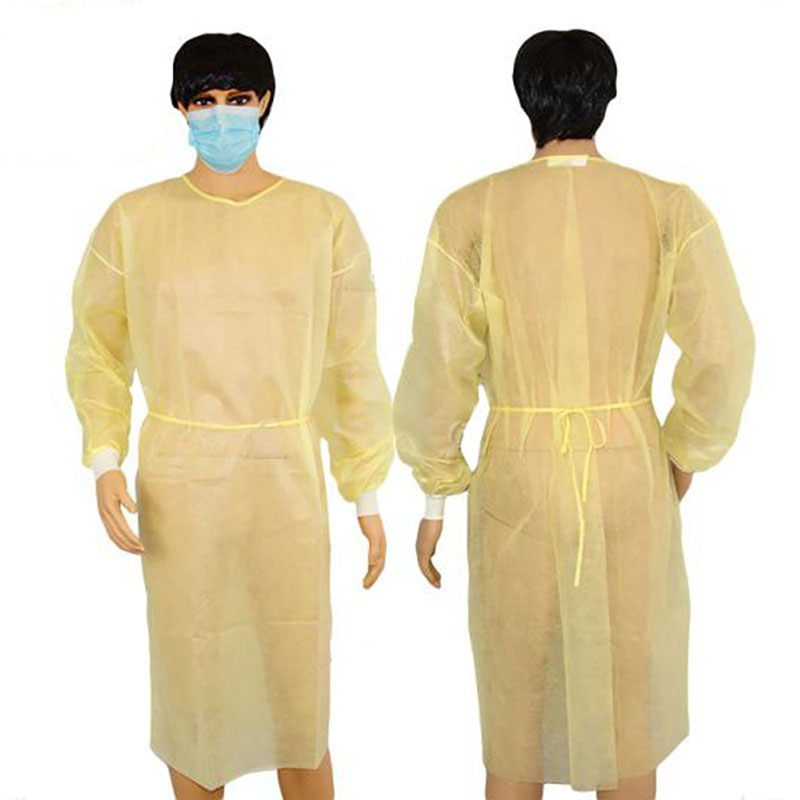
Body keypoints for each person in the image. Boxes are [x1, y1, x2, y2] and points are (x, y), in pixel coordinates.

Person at [393, 29, 754, 800]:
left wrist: (436, 491)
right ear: (607, 95)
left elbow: (439, 365)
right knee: (627, 706)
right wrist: (682, 453)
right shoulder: (668, 208)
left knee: (516, 703)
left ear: (525, 97)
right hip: (628, 465)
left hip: (517, 474)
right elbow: (724, 348)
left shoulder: (469, 213)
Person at [65, 32, 393, 800]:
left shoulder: (322, 218)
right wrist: (105, 457)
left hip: (285, 480)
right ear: (181, 108)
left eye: (238, 99)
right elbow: (97, 348)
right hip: (183, 484)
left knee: (296, 688)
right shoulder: (135, 220)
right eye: (205, 101)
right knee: (195, 688)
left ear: (265, 101)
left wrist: (366, 489)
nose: (222, 115)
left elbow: (351, 361)